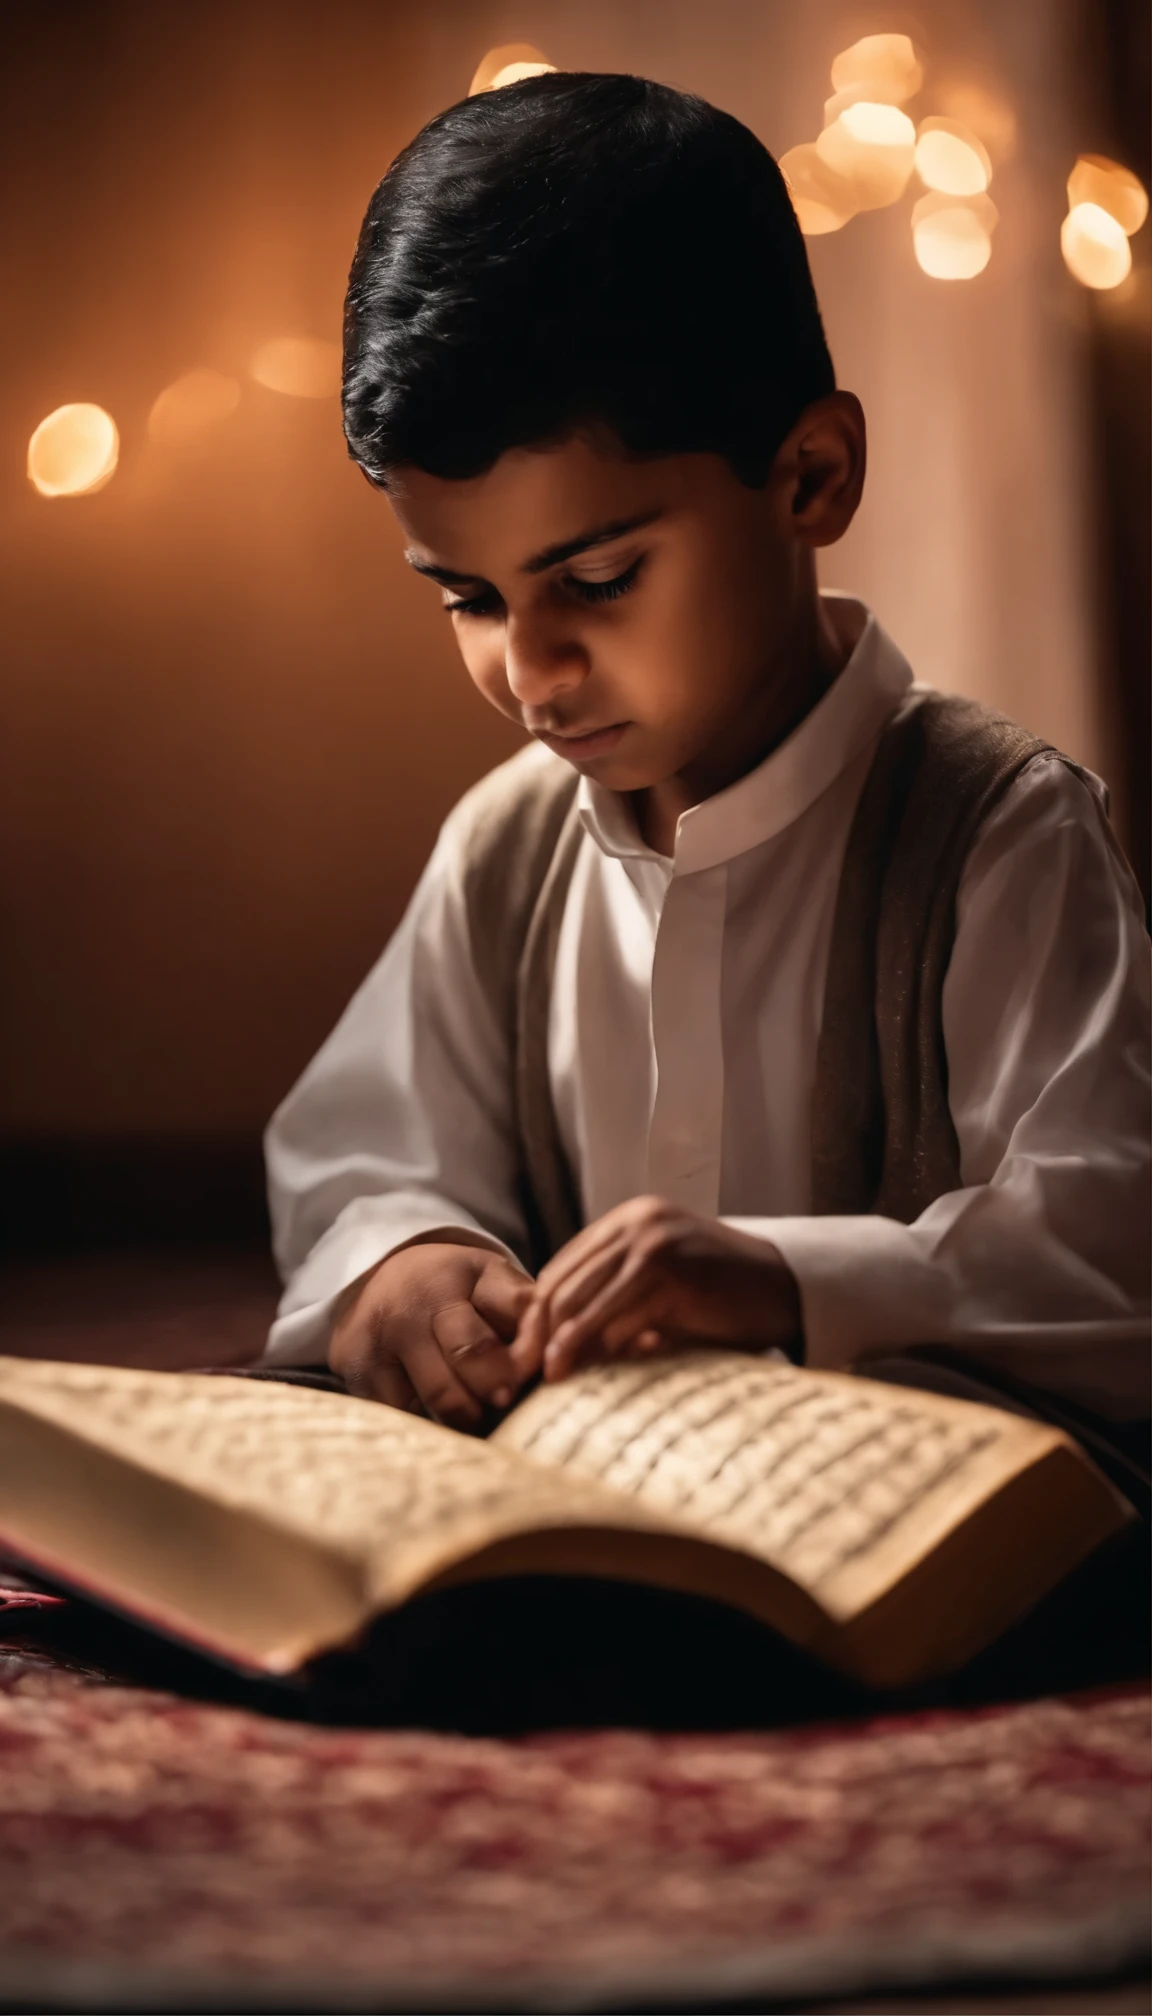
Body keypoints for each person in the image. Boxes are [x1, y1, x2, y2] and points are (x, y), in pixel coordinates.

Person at [262, 72, 1150, 1484]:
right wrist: (405, 1257)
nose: (533, 673)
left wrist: (788, 1281)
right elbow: (366, 1147)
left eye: (598, 580)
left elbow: (1112, 1243)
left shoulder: (999, 829)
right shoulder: (504, 849)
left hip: (906, 1530)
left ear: (811, 477)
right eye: (468, 601)